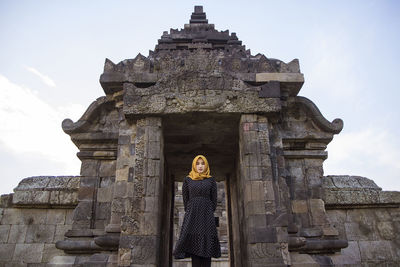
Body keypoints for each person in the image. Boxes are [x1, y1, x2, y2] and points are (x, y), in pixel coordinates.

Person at [173, 155, 221, 267]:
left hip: (207, 218)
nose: (200, 166)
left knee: (207, 245)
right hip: (193, 218)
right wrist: (194, 210)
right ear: (194, 165)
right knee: (195, 247)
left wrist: (206, 210)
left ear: (206, 165)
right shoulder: (187, 180)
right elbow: (186, 201)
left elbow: (213, 201)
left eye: (202, 163)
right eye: (198, 163)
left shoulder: (211, 180)